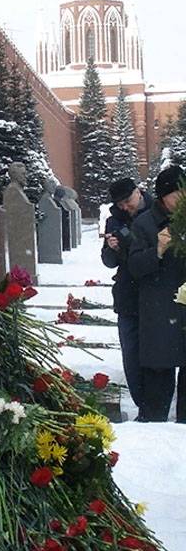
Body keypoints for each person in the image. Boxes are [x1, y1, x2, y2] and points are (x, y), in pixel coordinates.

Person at [128, 166, 186, 422]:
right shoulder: (144, 224)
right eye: (178, 193)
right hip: (159, 312)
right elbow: (135, 267)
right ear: (164, 196)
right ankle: (153, 431)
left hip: (183, 310)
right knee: (158, 383)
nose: (183, 198)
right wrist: (158, 251)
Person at [101, 177, 152, 414]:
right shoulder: (114, 220)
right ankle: (142, 402)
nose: (125, 207)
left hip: (153, 294)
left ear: (138, 192)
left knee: (154, 353)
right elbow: (108, 262)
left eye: (128, 200)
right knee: (131, 354)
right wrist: (111, 248)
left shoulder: (157, 213)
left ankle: (155, 405)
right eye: (120, 204)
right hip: (127, 296)